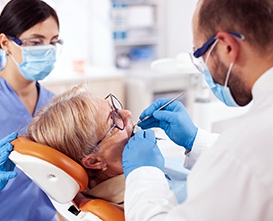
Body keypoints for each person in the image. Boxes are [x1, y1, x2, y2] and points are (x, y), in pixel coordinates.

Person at [121, 0, 273, 221]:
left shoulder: (248, 148)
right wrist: (197, 141)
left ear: (227, 47)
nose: (203, 68)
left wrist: (143, 175)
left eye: (199, 55)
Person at [26, 84, 188, 207]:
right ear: (94, 162)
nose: (127, 114)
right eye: (113, 120)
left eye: (115, 108)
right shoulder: (145, 200)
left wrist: (193, 142)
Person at [0, 0, 65, 221]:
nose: (47, 51)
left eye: (53, 42)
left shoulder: (54, 105)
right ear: (5, 43)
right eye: (36, 42)